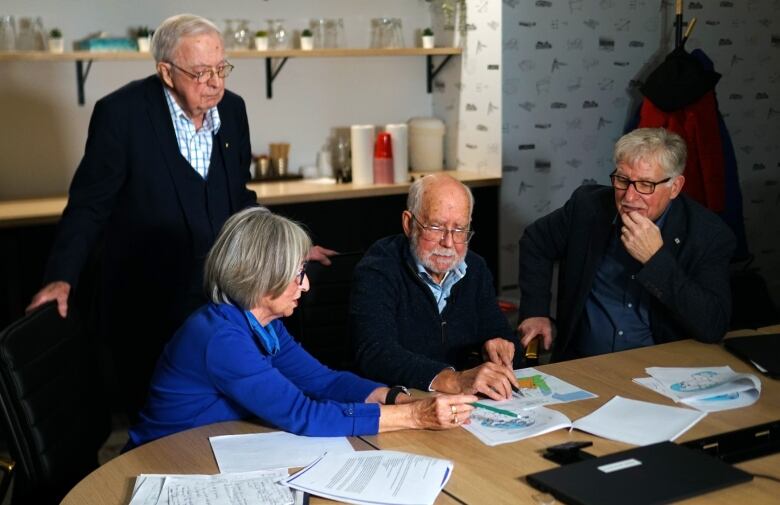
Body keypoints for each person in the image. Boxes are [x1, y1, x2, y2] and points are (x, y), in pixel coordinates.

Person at [25, 13, 334, 418]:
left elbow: (239, 197)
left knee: (223, 417)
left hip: (217, 301)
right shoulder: (122, 114)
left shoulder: (233, 112)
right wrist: (61, 277)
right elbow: (89, 205)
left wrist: (282, 252)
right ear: (166, 72)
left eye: (221, 69)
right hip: (147, 302)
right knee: (158, 420)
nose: (216, 83)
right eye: (201, 72)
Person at [127, 208, 477, 447]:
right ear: (262, 277)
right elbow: (302, 414)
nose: (306, 286)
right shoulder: (221, 338)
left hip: (213, 447)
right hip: (167, 459)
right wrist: (414, 415)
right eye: (299, 274)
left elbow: (324, 381)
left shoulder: (261, 322)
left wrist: (395, 398)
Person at [517, 128, 736, 361]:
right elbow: (536, 241)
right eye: (622, 180)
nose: (629, 197)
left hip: (662, 370)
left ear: (675, 187)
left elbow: (713, 325)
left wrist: (656, 260)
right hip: (583, 363)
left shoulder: (707, 234)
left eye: (645, 184)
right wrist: (535, 311)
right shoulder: (587, 207)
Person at [350, 173, 520, 401]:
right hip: (396, 403)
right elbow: (375, 353)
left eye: (459, 229)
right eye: (436, 227)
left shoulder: (475, 269)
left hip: (459, 406)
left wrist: (497, 348)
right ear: (409, 224)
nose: (448, 242)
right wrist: (453, 379)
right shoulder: (379, 269)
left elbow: (502, 336)